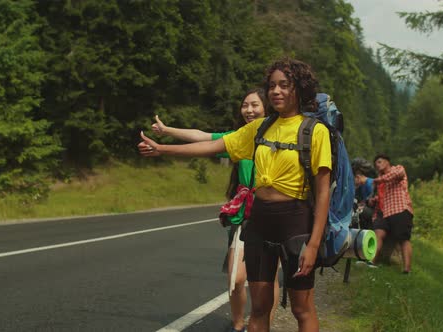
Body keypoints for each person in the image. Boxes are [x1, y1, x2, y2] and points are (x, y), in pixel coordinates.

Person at [138, 57, 332, 332]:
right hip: (259, 222)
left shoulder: (315, 131)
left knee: (302, 309)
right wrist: (162, 149)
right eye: (272, 86)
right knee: (260, 308)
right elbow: (213, 145)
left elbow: (323, 193)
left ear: (299, 89)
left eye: (284, 85)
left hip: (296, 223)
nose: (276, 91)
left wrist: (313, 245)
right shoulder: (259, 128)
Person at [150, 88, 279, 332]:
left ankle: (263, 325)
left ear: (267, 108)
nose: (249, 110)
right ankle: (238, 325)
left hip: (271, 214)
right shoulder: (239, 136)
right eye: (245, 105)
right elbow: (203, 137)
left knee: (267, 279)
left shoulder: (279, 135)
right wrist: (167, 131)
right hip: (244, 215)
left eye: (255, 105)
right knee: (236, 279)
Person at [369, 154, 414, 274]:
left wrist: (373, 180)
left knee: (404, 239)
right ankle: (371, 262)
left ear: (387, 162)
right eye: (376, 164)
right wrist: (374, 200)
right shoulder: (381, 180)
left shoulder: (398, 169)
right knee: (377, 234)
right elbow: (381, 196)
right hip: (383, 212)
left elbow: (395, 175)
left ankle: (407, 270)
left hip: (400, 209)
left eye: (379, 162)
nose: (377, 166)